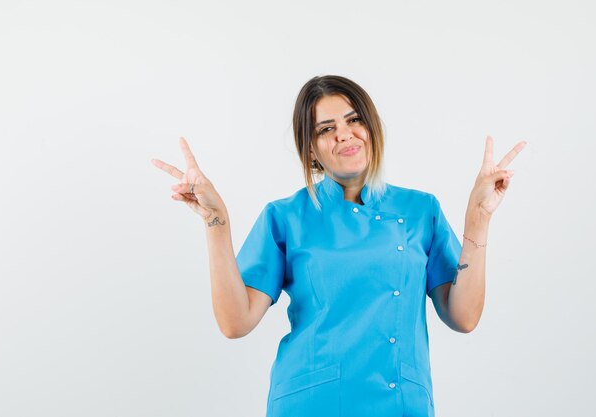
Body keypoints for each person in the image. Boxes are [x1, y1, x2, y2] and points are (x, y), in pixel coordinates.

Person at [151, 75, 527, 417]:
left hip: (401, 404)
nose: (344, 134)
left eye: (354, 120)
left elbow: (463, 316)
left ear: (372, 128)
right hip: (310, 403)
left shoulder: (420, 210)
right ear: (311, 150)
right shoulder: (286, 217)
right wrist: (217, 223)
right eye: (326, 128)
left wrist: (479, 218)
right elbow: (235, 322)